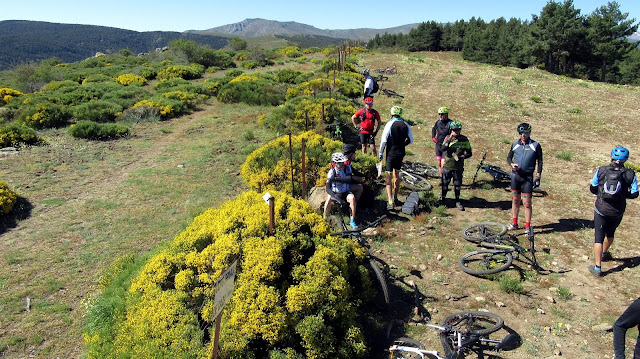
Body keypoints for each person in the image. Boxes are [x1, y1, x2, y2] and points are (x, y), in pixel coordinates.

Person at [588, 146, 638, 277]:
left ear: (612, 157)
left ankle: (598, 267)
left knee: (598, 237)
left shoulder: (602, 170)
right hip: (617, 210)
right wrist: (622, 195)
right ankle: (605, 253)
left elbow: (592, 188)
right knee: (610, 234)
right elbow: (635, 194)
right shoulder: (630, 174)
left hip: (601, 208)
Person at [506, 122, 543, 235]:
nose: (523, 135)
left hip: (527, 177)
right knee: (515, 200)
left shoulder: (535, 145)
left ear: (529, 133)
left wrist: (538, 176)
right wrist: (512, 165)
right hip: (516, 176)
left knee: (527, 203)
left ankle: (527, 226)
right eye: (521, 133)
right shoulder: (515, 144)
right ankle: (514, 223)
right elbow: (508, 157)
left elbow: (540, 161)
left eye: (526, 133)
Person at [379, 106, 413, 211]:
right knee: (397, 175)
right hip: (400, 152)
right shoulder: (405, 124)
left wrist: (380, 153)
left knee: (388, 176)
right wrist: (403, 144)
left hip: (391, 153)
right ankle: (396, 197)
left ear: (391, 114)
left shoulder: (389, 124)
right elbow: (411, 140)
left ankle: (390, 201)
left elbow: (384, 140)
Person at [323, 152, 362, 229]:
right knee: (328, 199)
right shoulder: (332, 172)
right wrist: (335, 196)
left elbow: (349, 179)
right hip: (336, 192)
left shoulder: (347, 168)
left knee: (352, 198)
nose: (342, 164)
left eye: (342, 162)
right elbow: (327, 188)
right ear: (334, 163)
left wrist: (337, 179)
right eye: (339, 163)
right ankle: (324, 219)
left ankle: (352, 220)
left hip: (345, 191)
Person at [440, 121, 472, 211]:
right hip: (448, 165)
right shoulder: (447, 138)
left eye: (457, 130)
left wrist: (463, 156)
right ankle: (443, 199)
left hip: (458, 167)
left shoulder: (464, 139)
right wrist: (450, 138)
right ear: (451, 130)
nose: (456, 132)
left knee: (457, 184)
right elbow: (443, 148)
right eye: (454, 130)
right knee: (445, 183)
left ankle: (457, 201)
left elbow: (469, 153)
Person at [431, 106, 453, 178]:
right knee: (439, 163)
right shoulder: (438, 122)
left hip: (446, 146)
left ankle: (446, 178)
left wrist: (449, 140)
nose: (440, 115)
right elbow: (434, 129)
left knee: (443, 164)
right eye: (439, 114)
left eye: (442, 114)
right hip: (438, 145)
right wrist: (433, 136)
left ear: (446, 114)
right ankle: (442, 179)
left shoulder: (450, 123)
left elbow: (454, 134)